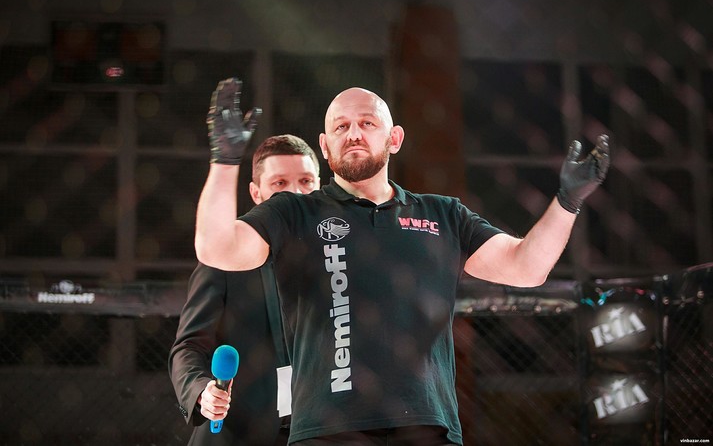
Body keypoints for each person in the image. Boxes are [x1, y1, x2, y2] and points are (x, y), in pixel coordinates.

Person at [194, 78, 610, 445]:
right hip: (327, 429)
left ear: (394, 139)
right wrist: (224, 160)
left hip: (427, 427)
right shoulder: (294, 213)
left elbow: (526, 268)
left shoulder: (443, 215)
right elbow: (218, 249)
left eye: (367, 123)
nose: (353, 134)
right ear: (324, 145)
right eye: (341, 126)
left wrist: (567, 202)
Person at [169, 132, 321, 445]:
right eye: (280, 183)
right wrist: (202, 392)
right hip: (237, 433)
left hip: (316, 431)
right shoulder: (225, 257)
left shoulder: (339, 257)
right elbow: (189, 347)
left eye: (306, 181)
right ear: (256, 193)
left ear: (320, 186)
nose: (295, 194)